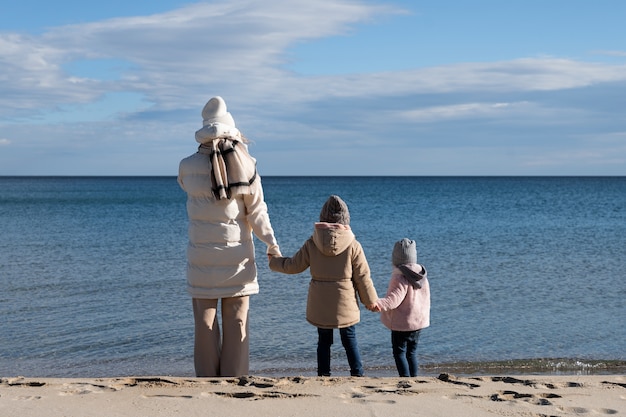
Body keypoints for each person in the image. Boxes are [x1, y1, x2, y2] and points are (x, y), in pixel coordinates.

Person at [178, 96, 281, 377]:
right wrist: (271, 244)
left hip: (200, 259)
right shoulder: (246, 164)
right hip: (236, 258)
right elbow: (257, 212)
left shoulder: (186, 166)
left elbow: (186, 186)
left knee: (205, 324)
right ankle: (234, 383)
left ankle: (207, 384)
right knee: (237, 322)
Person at [268, 195, 378, 377]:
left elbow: (294, 265)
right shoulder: (353, 245)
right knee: (349, 339)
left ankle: (323, 375)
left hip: (320, 302)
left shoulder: (312, 243)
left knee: (324, 341)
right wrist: (370, 300)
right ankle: (357, 374)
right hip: (345, 302)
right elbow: (363, 277)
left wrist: (274, 262)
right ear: (345, 220)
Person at [372, 238, 430, 377]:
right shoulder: (421, 276)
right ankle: (414, 378)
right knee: (412, 352)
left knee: (399, 352)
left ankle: (405, 378)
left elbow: (393, 300)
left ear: (395, 259)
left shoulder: (399, 277)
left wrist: (377, 303)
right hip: (418, 321)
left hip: (402, 323)